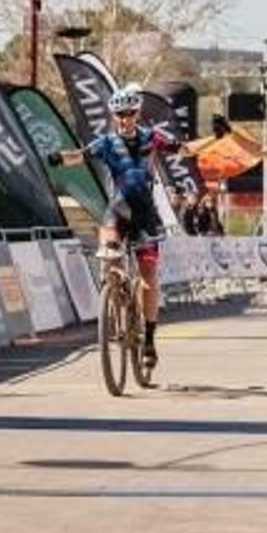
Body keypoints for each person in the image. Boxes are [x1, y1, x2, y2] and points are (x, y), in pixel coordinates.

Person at [51, 85, 186, 372]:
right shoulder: (107, 142)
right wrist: (59, 158)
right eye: (120, 114)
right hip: (118, 210)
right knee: (108, 249)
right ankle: (113, 292)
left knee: (149, 276)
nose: (125, 118)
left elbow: (180, 148)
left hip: (146, 216)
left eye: (130, 113)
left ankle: (148, 340)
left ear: (137, 113)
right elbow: (80, 155)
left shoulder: (152, 137)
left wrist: (197, 144)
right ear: (114, 116)